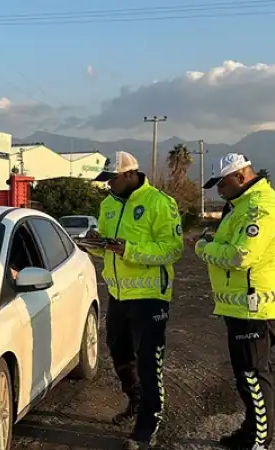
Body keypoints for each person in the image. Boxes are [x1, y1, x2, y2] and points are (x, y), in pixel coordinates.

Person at [187, 154, 275, 450]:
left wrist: (204, 247)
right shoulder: (241, 206)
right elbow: (230, 245)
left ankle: (260, 441)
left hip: (254, 305)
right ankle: (250, 431)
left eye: (222, 183)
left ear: (241, 177)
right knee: (246, 375)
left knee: (254, 376)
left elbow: (240, 255)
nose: (219, 190)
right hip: (240, 305)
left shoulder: (260, 208)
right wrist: (213, 244)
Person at [87, 151, 184, 450]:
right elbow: (107, 248)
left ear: (130, 175)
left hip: (149, 296)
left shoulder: (159, 203)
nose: (108, 186)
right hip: (118, 294)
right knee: (119, 353)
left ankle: (148, 423)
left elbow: (172, 249)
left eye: (112, 179)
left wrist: (129, 250)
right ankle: (137, 401)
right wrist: (95, 245)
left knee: (148, 362)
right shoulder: (108, 205)